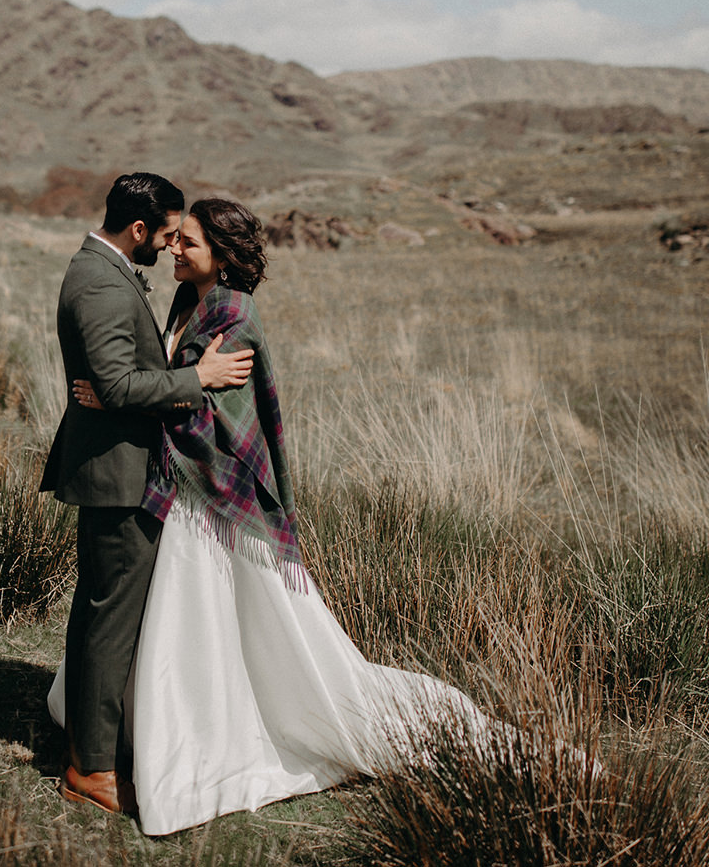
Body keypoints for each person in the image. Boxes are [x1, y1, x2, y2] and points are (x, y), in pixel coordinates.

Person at [56, 197, 495, 836]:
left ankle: (195, 739)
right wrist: (129, 390)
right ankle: (130, 731)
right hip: (177, 494)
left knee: (206, 633)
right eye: (175, 241)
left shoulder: (234, 315)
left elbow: (209, 420)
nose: (176, 250)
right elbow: (174, 379)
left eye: (191, 243)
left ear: (223, 258)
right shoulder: (187, 302)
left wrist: (120, 397)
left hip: (208, 496)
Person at [40, 174, 254, 816]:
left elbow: (116, 380)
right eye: (165, 235)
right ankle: (93, 769)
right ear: (138, 228)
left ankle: (93, 745)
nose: (167, 249)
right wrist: (200, 375)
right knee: (109, 621)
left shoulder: (104, 271)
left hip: (124, 465)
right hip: (121, 472)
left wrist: (127, 383)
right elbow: (115, 380)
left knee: (99, 613)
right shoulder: (104, 282)